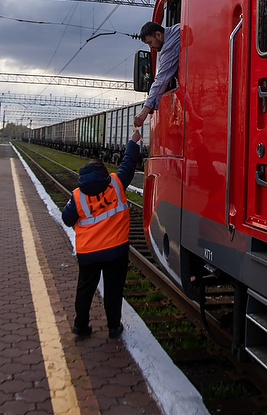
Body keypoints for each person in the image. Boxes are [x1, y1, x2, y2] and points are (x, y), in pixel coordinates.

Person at [62, 128, 143, 339]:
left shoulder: (78, 197)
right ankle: (114, 327)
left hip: (88, 253)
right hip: (115, 252)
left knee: (85, 289)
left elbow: (67, 219)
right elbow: (128, 163)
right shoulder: (115, 183)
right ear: (103, 173)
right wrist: (133, 141)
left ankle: (81, 326)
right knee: (113, 290)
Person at [134, 21, 181, 127]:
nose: (151, 47)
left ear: (158, 35)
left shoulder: (169, 47)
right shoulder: (178, 28)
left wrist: (145, 110)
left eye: (150, 42)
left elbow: (161, 80)